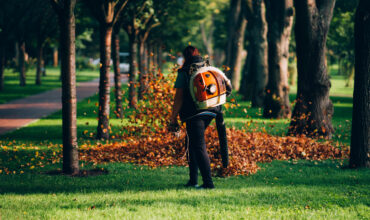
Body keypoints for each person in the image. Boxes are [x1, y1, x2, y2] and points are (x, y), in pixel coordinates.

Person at [169, 46, 223, 189]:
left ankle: (208, 184)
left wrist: (173, 118)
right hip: (212, 110)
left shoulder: (184, 71)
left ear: (185, 56)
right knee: (191, 142)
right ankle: (193, 181)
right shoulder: (208, 67)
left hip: (195, 113)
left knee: (198, 146)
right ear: (198, 54)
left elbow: (179, 97)